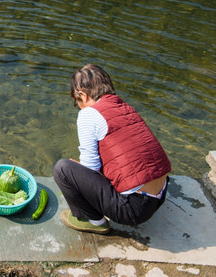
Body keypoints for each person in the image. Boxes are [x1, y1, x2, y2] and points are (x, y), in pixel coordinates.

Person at [53, 64, 171, 234]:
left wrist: (77, 171)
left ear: (83, 96)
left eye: (76, 101)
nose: (78, 105)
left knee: (63, 169)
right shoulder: (125, 108)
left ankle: (93, 221)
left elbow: (90, 167)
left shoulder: (88, 114)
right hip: (160, 196)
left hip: (133, 210)